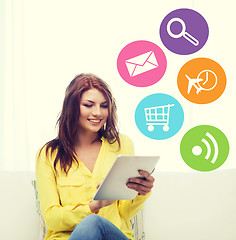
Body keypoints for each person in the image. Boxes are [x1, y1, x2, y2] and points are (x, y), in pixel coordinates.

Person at [36, 73, 155, 240]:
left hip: (113, 235)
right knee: (90, 222)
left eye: (104, 106)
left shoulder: (122, 145)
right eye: (88, 105)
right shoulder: (48, 154)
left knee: (93, 223)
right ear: (72, 107)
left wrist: (142, 193)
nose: (98, 113)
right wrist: (94, 206)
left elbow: (124, 213)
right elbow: (52, 219)